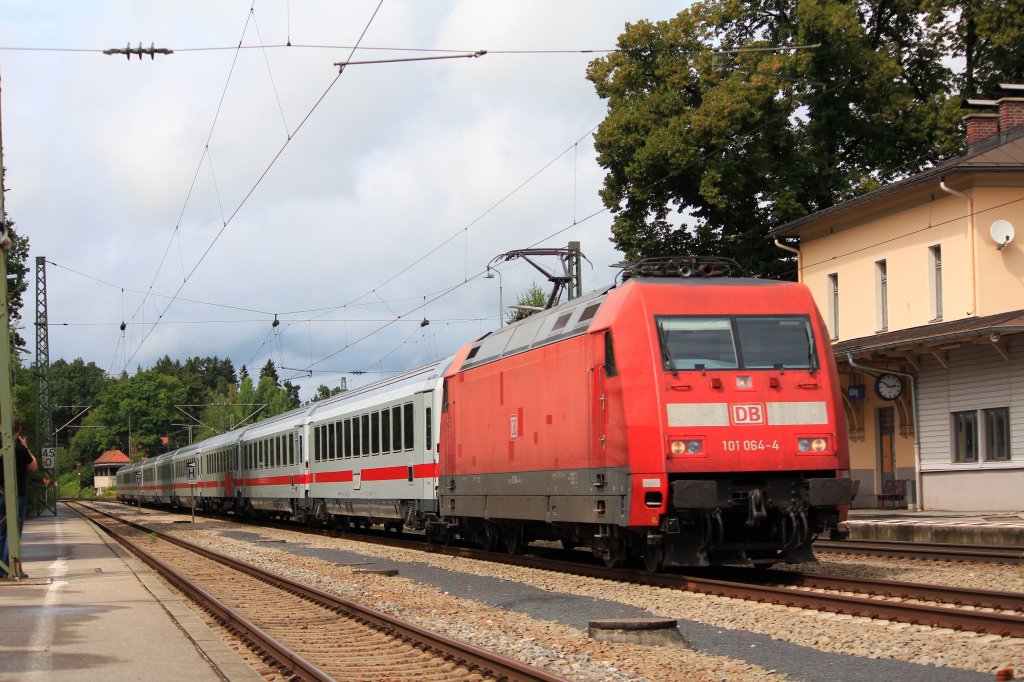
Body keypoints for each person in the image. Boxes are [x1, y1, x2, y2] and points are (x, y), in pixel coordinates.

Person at [1, 416, 38, 578]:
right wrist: (26, 447)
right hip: (17, 495)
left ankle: (2, 568)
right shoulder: (19, 448)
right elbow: (34, 466)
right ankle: (8, 569)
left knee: (1, 533)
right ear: (19, 430)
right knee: (13, 533)